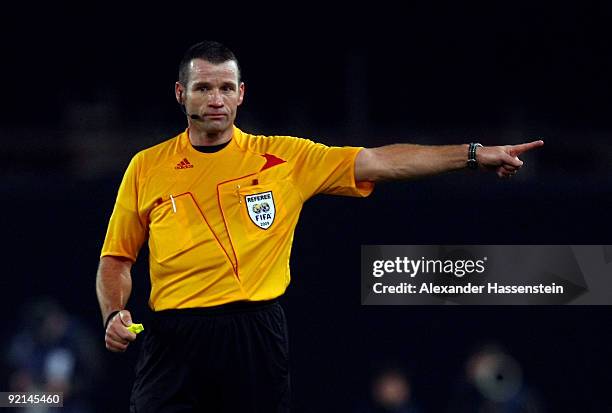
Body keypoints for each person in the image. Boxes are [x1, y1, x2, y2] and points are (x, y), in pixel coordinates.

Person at [96, 40, 544, 412]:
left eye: (226, 87)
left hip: (254, 333)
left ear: (241, 94)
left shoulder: (285, 157)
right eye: (203, 87)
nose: (215, 98)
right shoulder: (147, 166)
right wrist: (115, 312)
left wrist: (471, 155)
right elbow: (116, 259)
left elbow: (379, 161)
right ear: (180, 93)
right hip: (174, 338)